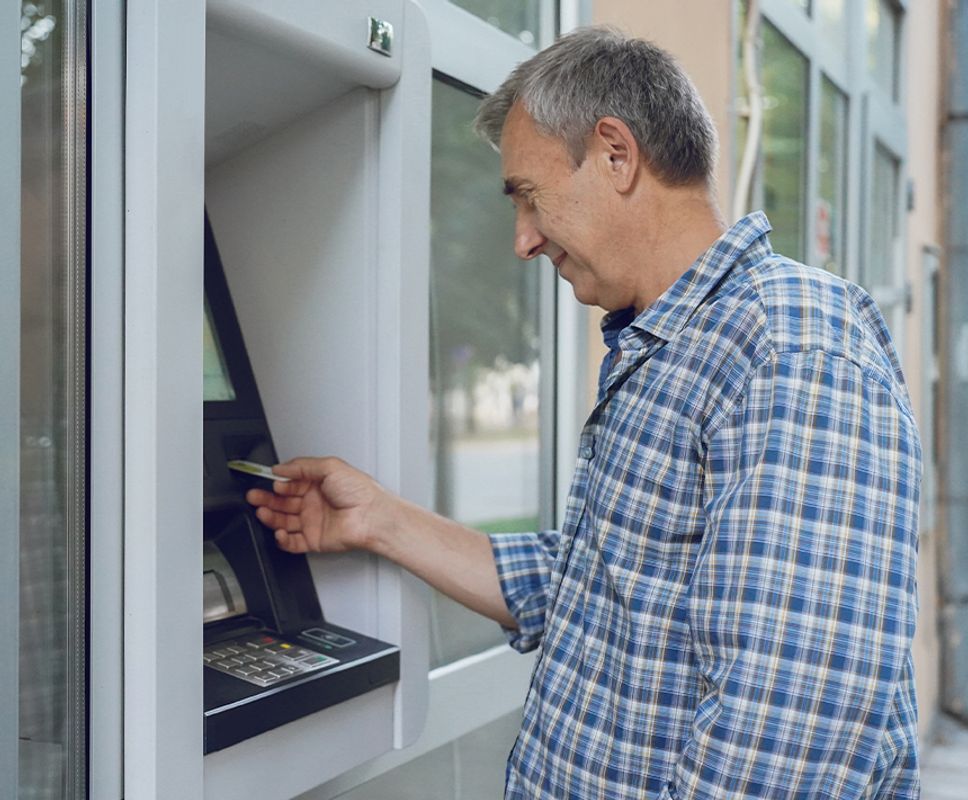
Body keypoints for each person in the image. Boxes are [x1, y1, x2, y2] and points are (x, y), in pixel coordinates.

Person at [248, 26, 922, 800]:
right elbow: (596, 585)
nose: (523, 240)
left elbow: (792, 729)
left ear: (615, 154)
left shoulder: (790, 349)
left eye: (529, 196)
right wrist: (377, 521)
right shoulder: (676, 345)